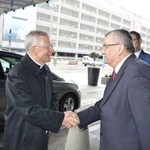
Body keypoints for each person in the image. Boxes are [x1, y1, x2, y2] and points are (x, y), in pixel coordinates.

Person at [3, 30, 79, 150]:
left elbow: (52, 97)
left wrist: (55, 115)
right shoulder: (18, 73)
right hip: (22, 138)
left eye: (51, 46)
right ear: (34, 49)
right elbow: (28, 109)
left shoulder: (45, 69)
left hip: (41, 133)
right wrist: (60, 118)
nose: (52, 50)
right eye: (48, 46)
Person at [77, 29, 150, 149]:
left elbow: (146, 122)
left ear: (120, 48)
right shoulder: (120, 70)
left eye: (106, 46)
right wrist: (79, 117)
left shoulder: (138, 71)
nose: (102, 51)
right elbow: (106, 103)